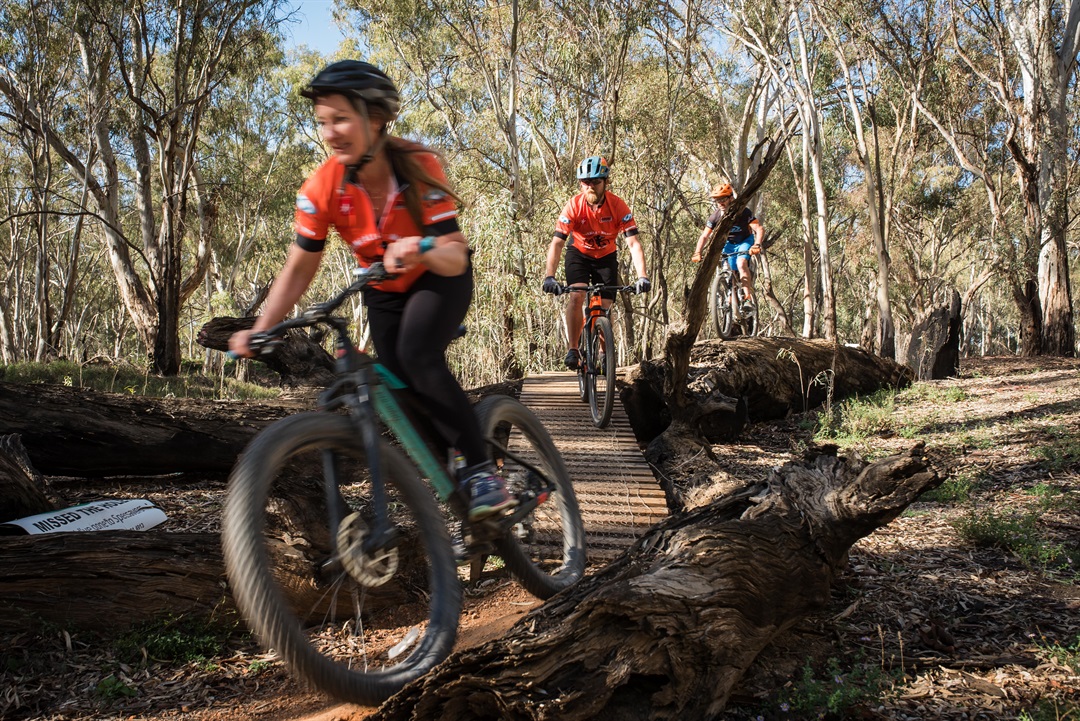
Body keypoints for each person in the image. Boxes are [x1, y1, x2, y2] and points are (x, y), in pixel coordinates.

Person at [228, 60, 514, 522]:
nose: (329, 132)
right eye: (322, 122)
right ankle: (453, 473)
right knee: (395, 379)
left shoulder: (418, 165)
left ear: (376, 119)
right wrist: (261, 328)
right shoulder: (322, 187)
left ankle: (480, 468)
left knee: (418, 355)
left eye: (340, 119)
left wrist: (419, 246)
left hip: (438, 276)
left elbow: (455, 254)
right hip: (382, 290)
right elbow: (299, 267)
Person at [541, 156, 649, 369]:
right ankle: (573, 349)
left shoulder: (617, 206)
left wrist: (642, 276)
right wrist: (549, 276)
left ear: (606, 182)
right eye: (585, 182)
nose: (590, 186)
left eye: (595, 182)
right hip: (579, 254)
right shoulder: (573, 206)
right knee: (577, 294)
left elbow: (634, 243)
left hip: (606, 257)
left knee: (604, 306)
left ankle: (602, 351)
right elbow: (557, 243)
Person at [691, 182, 764, 309]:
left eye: (723, 199)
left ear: (731, 198)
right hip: (728, 244)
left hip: (744, 241)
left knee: (741, 264)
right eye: (717, 200)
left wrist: (757, 244)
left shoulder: (743, 212)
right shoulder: (715, 217)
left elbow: (759, 228)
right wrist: (697, 252)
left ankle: (747, 299)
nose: (720, 203)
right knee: (727, 270)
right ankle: (731, 302)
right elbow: (704, 236)